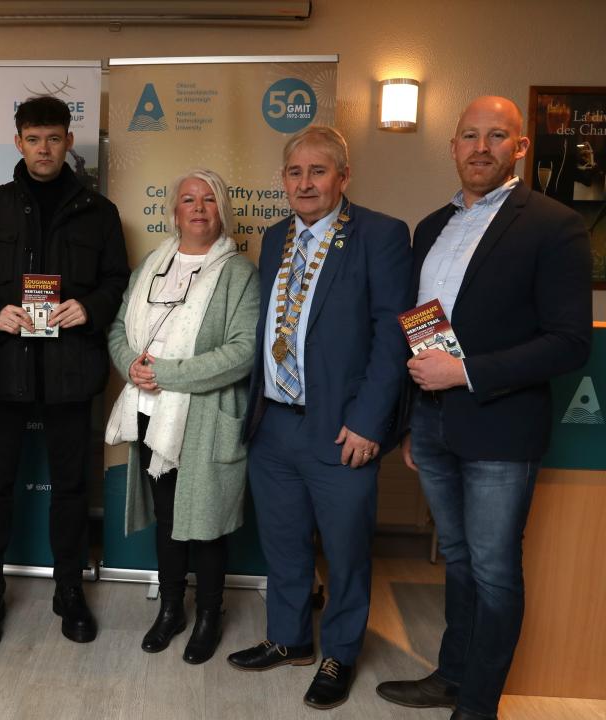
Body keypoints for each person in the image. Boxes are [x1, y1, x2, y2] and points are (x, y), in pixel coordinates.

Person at [376, 96, 592, 720]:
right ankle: (451, 675)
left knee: (495, 571)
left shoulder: (553, 225)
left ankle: (478, 707)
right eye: (469, 135)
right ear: (452, 147)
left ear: (519, 147)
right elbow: (423, 326)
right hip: (436, 422)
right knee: (459, 558)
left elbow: (569, 343)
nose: (480, 146)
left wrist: (465, 373)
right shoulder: (430, 226)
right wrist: (419, 415)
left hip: (502, 426)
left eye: (497, 135)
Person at [227, 125, 412, 710]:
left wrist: (371, 423)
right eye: (295, 172)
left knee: (347, 547)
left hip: (341, 424)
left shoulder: (380, 235)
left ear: (343, 177)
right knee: (282, 543)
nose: (305, 183)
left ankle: (340, 652)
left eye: (318, 171)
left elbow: (391, 336)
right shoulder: (276, 233)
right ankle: (288, 640)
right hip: (274, 420)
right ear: (283, 180)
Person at [0, 96, 129, 651]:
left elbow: (116, 279)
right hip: (4, 370)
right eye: (33, 138)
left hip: (71, 372)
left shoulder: (99, 212)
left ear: (69, 142)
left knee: (71, 489)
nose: (44, 148)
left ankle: (68, 591)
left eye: (53, 138)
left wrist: (90, 308)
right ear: (19, 141)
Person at [105, 169, 259, 664]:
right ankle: (171, 608)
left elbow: (242, 352)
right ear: (174, 211)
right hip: (151, 413)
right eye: (188, 199)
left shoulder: (240, 273)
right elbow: (118, 327)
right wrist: (129, 363)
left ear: (222, 210)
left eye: (208, 199)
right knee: (169, 519)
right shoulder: (152, 263)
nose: (197, 208)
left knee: (206, 521)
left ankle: (210, 615)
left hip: (206, 417)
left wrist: (167, 373)